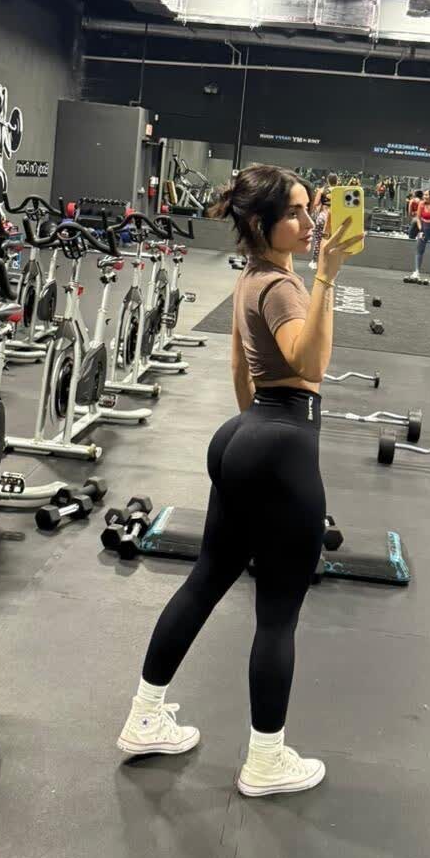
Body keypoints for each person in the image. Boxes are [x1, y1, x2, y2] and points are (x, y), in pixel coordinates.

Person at [115, 164, 362, 795]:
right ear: (259, 223)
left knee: (207, 578)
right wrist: (327, 276)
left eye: (308, 210)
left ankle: (145, 715)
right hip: (281, 442)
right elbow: (310, 363)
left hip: (243, 437)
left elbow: (239, 367)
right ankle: (266, 760)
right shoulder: (282, 288)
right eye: (294, 213)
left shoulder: (252, 277)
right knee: (278, 614)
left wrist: (254, 436)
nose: (307, 223)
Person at [406, 188, 430, 284]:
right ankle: (416, 272)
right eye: (424, 195)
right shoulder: (421, 204)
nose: (424, 196)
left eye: (426, 195)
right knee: (419, 251)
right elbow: (418, 218)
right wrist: (420, 231)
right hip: (423, 229)